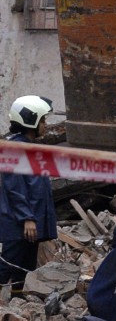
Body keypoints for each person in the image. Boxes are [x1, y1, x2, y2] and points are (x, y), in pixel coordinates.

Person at [0, 97, 58, 285]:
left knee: (25, 266)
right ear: (31, 120)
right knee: (8, 264)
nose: (45, 125)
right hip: (19, 222)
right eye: (43, 120)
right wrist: (27, 218)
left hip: (31, 221)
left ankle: (18, 298)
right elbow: (14, 188)